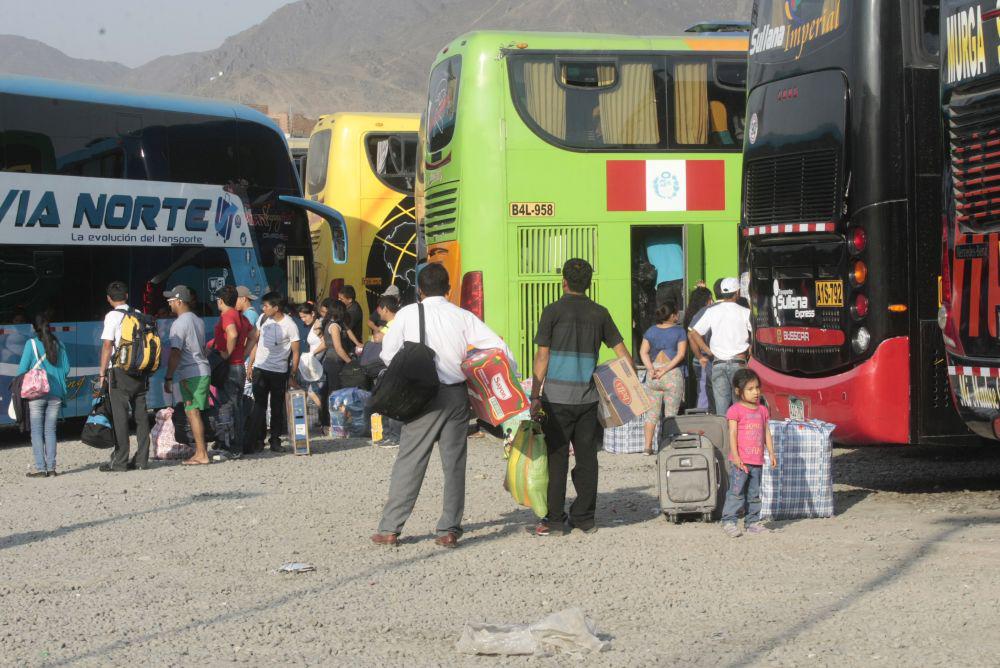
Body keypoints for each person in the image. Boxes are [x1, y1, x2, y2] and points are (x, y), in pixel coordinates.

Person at [372, 263, 514, 549]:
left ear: (420, 290)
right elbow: (500, 348)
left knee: (410, 460)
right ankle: (448, 529)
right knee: (454, 464)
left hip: (420, 397)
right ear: (449, 289)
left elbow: (387, 354)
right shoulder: (463, 316)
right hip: (455, 396)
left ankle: (390, 529)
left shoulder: (408, 314)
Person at [530, 258, 633, 536]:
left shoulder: (551, 312)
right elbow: (624, 355)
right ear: (588, 284)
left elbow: (543, 356)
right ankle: (585, 518)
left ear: (564, 282)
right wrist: (629, 387)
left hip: (555, 399)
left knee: (557, 457)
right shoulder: (600, 313)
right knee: (587, 458)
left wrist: (535, 396)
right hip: (587, 400)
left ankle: (554, 521)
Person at [99, 281, 152, 472]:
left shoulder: (112, 316)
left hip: (119, 372)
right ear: (127, 296)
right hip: (140, 371)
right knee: (141, 416)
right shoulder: (137, 313)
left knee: (120, 417)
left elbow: (107, 345)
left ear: (109, 299)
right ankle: (142, 460)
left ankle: (120, 461)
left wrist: (102, 373)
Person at [721, 369, 776, 537]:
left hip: (757, 461)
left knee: (754, 494)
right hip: (741, 462)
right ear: (738, 391)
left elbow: (766, 432)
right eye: (750, 389)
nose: (756, 392)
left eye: (757, 388)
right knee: (736, 493)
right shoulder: (735, 410)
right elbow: (732, 434)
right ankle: (729, 521)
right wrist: (736, 457)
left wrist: (771, 453)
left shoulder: (762, 410)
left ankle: (752, 522)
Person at [244, 292, 300, 453]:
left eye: (266, 305)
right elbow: (255, 341)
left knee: (276, 407)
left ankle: (275, 440)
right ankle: (258, 440)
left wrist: (292, 374)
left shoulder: (290, 325)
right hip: (260, 369)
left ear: (276, 308)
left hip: (279, 371)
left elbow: (296, 352)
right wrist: (250, 364)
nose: (263, 308)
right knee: (259, 405)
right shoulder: (262, 319)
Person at [162, 286, 212, 466]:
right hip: (200, 370)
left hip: (192, 373)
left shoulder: (179, 323)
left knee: (193, 413)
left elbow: (176, 352)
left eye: (170, 301)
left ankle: (202, 454)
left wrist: (168, 376)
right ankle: (201, 451)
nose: (169, 304)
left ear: (179, 301)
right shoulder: (197, 320)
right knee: (195, 413)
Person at [690, 277, 752, 416]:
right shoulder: (745, 312)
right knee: (741, 410)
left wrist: (707, 351)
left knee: (722, 412)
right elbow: (756, 333)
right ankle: (739, 437)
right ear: (737, 293)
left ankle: (725, 436)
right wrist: (751, 348)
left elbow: (694, 332)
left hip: (718, 364)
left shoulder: (712, 311)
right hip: (739, 363)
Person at [18, 314, 70, 477]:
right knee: (50, 430)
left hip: (36, 393)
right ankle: (52, 468)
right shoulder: (59, 344)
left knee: (36, 431)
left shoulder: (31, 344)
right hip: (55, 394)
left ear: (34, 328)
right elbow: (66, 369)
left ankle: (41, 469)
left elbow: (21, 370)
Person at [639, 301, 687, 456]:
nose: (678, 315)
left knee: (652, 414)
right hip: (671, 374)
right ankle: (668, 446)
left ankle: (647, 447)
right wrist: (665, 369)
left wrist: (651, 369)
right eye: (676, 312)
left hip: (653, 375)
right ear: (672, 316)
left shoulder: (651, 331)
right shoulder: (679, 331)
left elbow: (643, 352)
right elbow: (680, 354)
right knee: (671, 414)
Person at [210, 285, 253, 457]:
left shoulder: (227, 315)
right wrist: (244, 353)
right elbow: (254, 335)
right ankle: (236, 444)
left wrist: (227, 353)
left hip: (229, 367)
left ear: (220, 300)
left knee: (228, 406)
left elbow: (232, 334)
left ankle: (232, 446)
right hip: (238, 365)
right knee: (236, 405)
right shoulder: (240, 316)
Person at [317, 298, 356, 426]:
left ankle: (329, 421)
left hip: (329, 361)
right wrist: (350, 362)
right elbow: (338, 348)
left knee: (330, 391)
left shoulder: (331, 323)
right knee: (335, 392)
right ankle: (333, 422)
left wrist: (312, 354)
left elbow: (325, 344)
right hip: (335, 362)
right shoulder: (334, 326)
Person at [684, 285, 715, 411]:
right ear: (707, 300)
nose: (712, 302)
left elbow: (690, 335)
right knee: (708, 390)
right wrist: (705, 353)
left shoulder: (690, 314)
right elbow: (692, 335)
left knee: (701, 390)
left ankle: (701, 413)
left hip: (696, 357)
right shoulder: (708, 314)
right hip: (706, 358)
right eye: (710, 299)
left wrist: (698, 356)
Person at [296, 302, 326, 411]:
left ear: (312, 313)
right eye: (301, 317)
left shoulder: (318, 325)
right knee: (311, 391)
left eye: (305, 316)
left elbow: (325, 343)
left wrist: (312, 354)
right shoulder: (314, 325)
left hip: (318, 363)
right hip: (314, 363)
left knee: (312, 392)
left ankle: (325, 417)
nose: (303, 319)